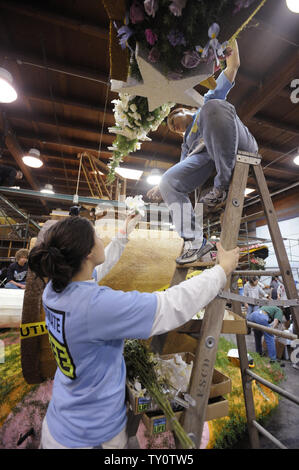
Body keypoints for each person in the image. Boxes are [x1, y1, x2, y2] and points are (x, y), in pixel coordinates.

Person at [28, 213, 239, 449]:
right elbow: (170, 306)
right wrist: (221, 271)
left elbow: (95, 271)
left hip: (62, 421)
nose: (100, 238)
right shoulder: (96, 306)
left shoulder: (55, 290)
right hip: (91, 438)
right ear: (87, 253)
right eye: (97, 235)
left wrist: (122, 235)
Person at [147, 39, 258, 265]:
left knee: (213, 106)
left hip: (239, 142)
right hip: (207, 157)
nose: (174, 127)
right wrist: (161, 186)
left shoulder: (206, 103)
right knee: (169, 180)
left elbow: (233, 66)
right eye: (173, 129)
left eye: (174, 121)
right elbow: (180, 173)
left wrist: (233, 37)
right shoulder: (187, 143)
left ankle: (222, 185)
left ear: (187, 109)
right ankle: (195, 242)